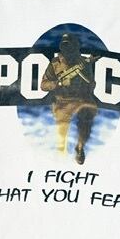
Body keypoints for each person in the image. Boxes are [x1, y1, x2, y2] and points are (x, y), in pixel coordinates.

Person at [41, 33, 98, 164]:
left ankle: (80, 147)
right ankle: (60, 154)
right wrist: (59, 83)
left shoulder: (84, 62)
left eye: (70, 46)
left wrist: (85, 87)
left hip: (82, 100)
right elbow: (43, 85)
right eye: (65, 46)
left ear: (76, 47)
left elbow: (91, 83)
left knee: (86, 120)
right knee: (61, 133)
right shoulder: (55, 64)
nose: (68, 49)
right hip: (62, 102)